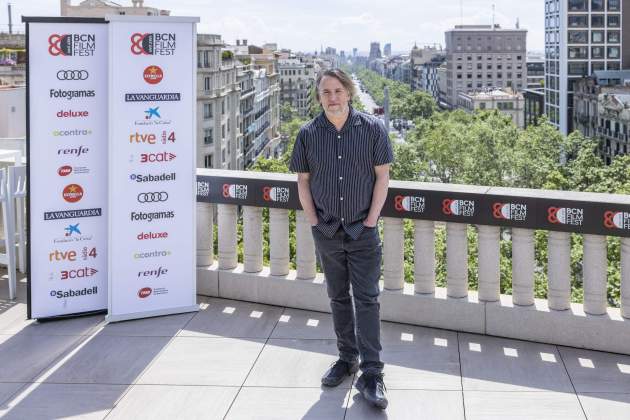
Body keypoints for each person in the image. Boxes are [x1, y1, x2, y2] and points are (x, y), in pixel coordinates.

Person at [289, 68, 393, 410]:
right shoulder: (308, 134)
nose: (332, 97)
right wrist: (314, 221)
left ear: (348, 92)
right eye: (325, 92)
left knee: (367, 300)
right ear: (319, 97)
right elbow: (303, 181)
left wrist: (371, 221)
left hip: (363, 230)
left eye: (337, 90)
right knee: (337, 298)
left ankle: (372, 373)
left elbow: (382, 177)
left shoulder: (373, 129)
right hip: (328, 232)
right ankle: (347, 359)